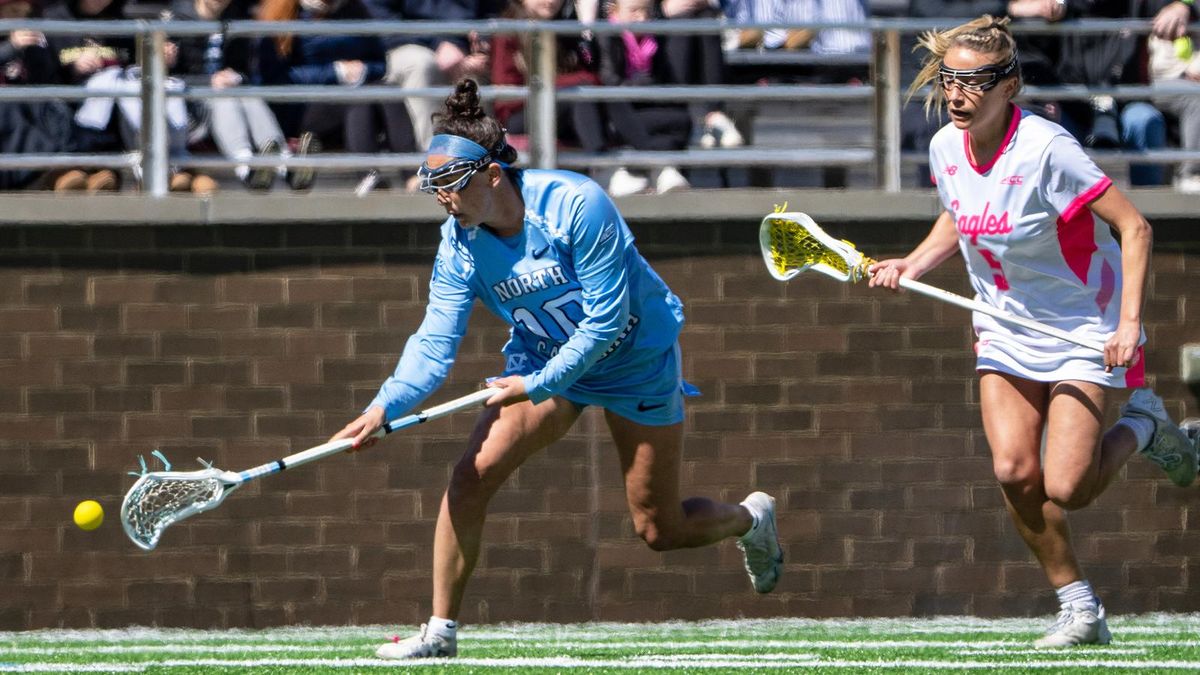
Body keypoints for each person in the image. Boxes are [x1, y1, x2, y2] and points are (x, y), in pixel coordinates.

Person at [331, 78, 783, 660]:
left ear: (492, 175)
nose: (443, 200)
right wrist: (382, 407)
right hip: (544, 360)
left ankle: (751, 519)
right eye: (434, 188)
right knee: (472, 476)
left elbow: (604, 321)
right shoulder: (459, 246)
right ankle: (440, 632)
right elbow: (433, 342)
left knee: (658, 530)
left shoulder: (576, 205)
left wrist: (535, 384)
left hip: (634, 363)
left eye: (452, 185)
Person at [868, 15, 1200, 647]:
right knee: (1016, 471)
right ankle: (1079, 607)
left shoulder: (1048, 150)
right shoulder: (945, 148)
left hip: (1084, 324)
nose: (958, 93)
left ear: (1009, 86)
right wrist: (912, 262)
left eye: (975, 81)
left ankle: (1146, 425)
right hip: (1003, 325)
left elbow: (1136, 229)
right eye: (950, 79)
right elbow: (958, 214)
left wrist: (1129, 323)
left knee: (1068, 486)